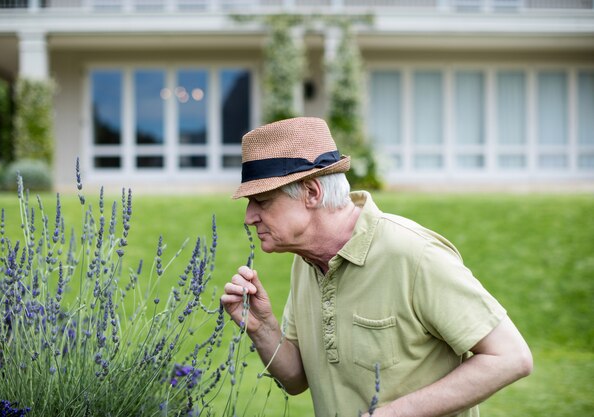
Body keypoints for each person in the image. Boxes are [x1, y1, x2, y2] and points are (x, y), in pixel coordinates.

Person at [220, 117, 533, 417]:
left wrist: (395, 413)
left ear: (312, 193)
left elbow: (510, 357)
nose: (249, 217)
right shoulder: (306, 261)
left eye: (262, 201)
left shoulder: (413, 253)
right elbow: (296, 379)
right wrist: (262, 329)